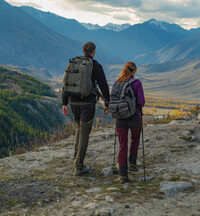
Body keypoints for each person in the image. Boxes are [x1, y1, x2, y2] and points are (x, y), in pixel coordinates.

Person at [62, 42, 110, 176]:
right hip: (87, 104)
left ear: (83, 51)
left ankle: (76, 158)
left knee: (78, 129)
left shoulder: (73, 63)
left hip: (73, 103)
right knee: (84, 133)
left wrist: (64, 103)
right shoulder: (95, 65)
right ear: (93, 52)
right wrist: (107, 103)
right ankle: (78, 166)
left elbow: (66, 82)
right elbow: (104, 86)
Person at [114, 62, 145, 183]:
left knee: (122, 146)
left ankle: (123, 175)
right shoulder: (137, 83)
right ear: (134, 71)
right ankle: (132, 163)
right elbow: (141, 102)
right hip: (134, 117)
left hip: (120, 118)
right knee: (135, 138)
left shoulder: (117, 83)